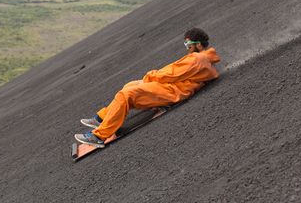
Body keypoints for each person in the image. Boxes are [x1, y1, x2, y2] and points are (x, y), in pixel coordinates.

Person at [74, 28, 221, 148]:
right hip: (173, 87)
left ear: (199, 45)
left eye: (188, 45)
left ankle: (98, 136)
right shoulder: (204, 58)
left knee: (127, 94)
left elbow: (169, 74)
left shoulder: (197, 59)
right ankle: (103, 117)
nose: (187, 48)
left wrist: (149, 76)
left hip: (172, 92)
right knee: (130, 85)